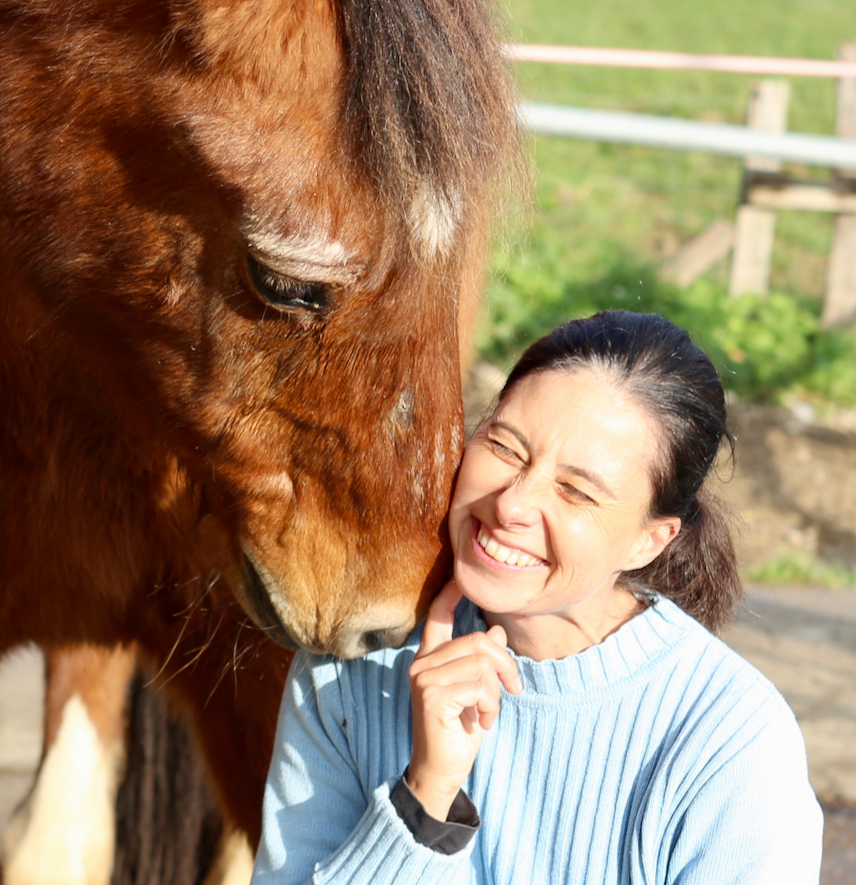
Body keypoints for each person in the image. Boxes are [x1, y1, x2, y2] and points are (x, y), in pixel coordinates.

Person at [252, 310, 823, 885]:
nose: (512, 505)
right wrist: (425, 801)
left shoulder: (728, 739)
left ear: (650, 540)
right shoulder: (349, 674)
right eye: (505, 448)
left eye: (576, 491)